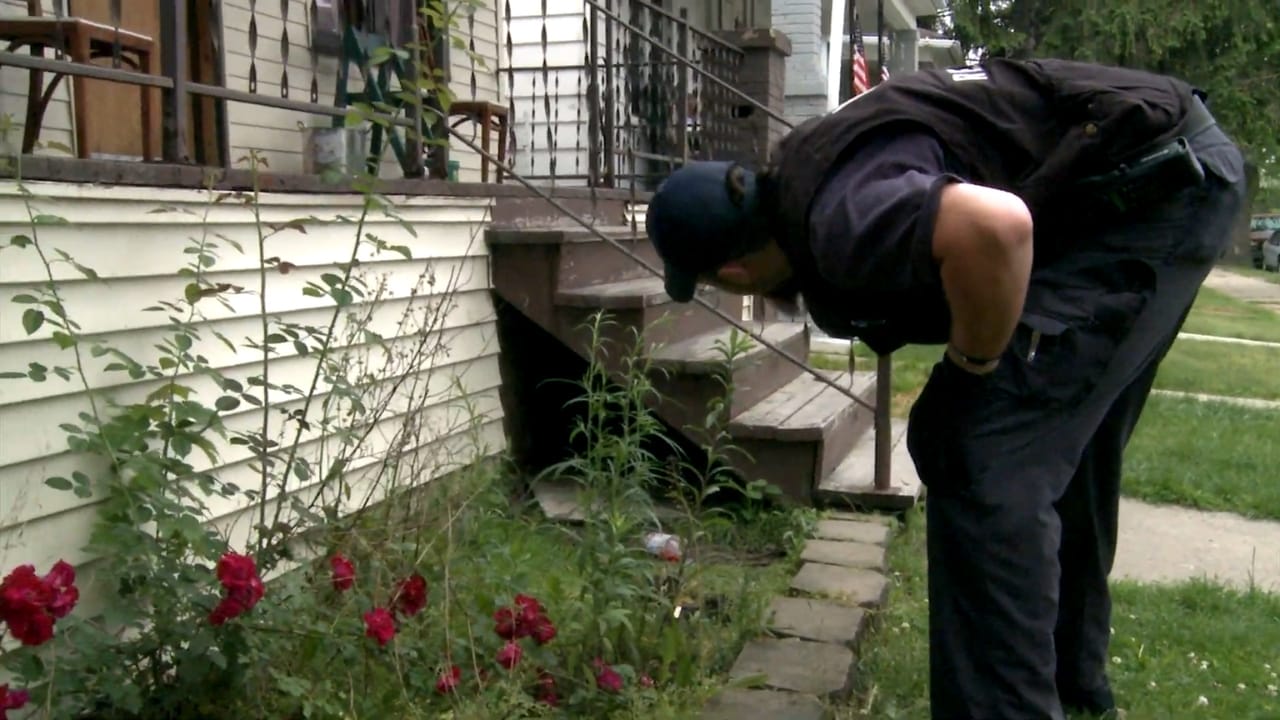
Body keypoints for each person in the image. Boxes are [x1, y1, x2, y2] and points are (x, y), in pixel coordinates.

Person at [643, 56, 1247, 720]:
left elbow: (993, 227)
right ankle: (1075, 689)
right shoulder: (806, 173)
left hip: (1152, 184)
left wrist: (973, 367)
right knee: (1064, 446)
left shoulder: (837, 222)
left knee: (982, 449)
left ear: (731, 270)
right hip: (1166, 162)